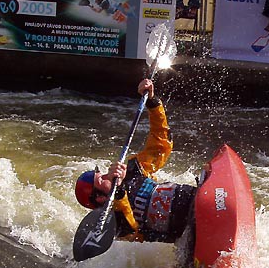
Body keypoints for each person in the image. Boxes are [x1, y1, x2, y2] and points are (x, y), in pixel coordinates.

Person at [75, 79, 196, 255]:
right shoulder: (113, 224)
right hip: (187, 234)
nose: (103, 174)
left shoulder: (132, 169)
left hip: (192, 199)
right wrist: (119, 191)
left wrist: (152, 103)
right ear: (99, 198)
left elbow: (161, 144)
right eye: (99, 179)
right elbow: (133, 230)